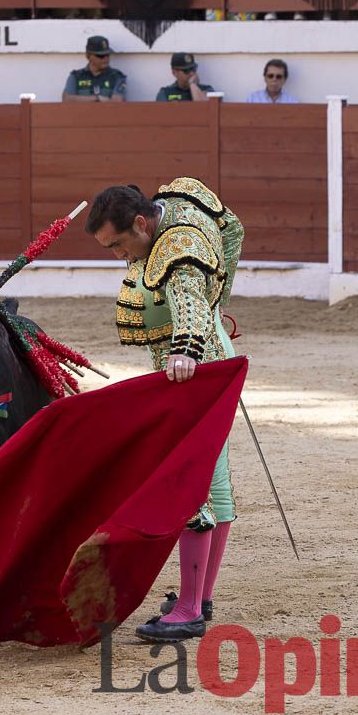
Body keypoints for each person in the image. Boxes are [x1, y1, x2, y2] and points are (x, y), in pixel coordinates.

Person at [85, 178, 244, 643]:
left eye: (118, 244)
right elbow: (232, 229)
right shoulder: (180, 200)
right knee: (215, 485)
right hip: (215, 363)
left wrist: (187, 347)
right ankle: (202, 596)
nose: (119, 256)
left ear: (140, 222)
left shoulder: (177, 249)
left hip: (192, 374)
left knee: (190, 487)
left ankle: (190, 609)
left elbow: (190, 301)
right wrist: (222, 298)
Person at [63, 36, 128, 102]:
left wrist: (83, 100)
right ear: (88, 56)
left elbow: (117, 102)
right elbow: (67, 99)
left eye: (107, 54)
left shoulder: (117, 76)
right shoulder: (76, 76)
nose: (106, 58)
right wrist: (97, 98)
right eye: (101, 56)